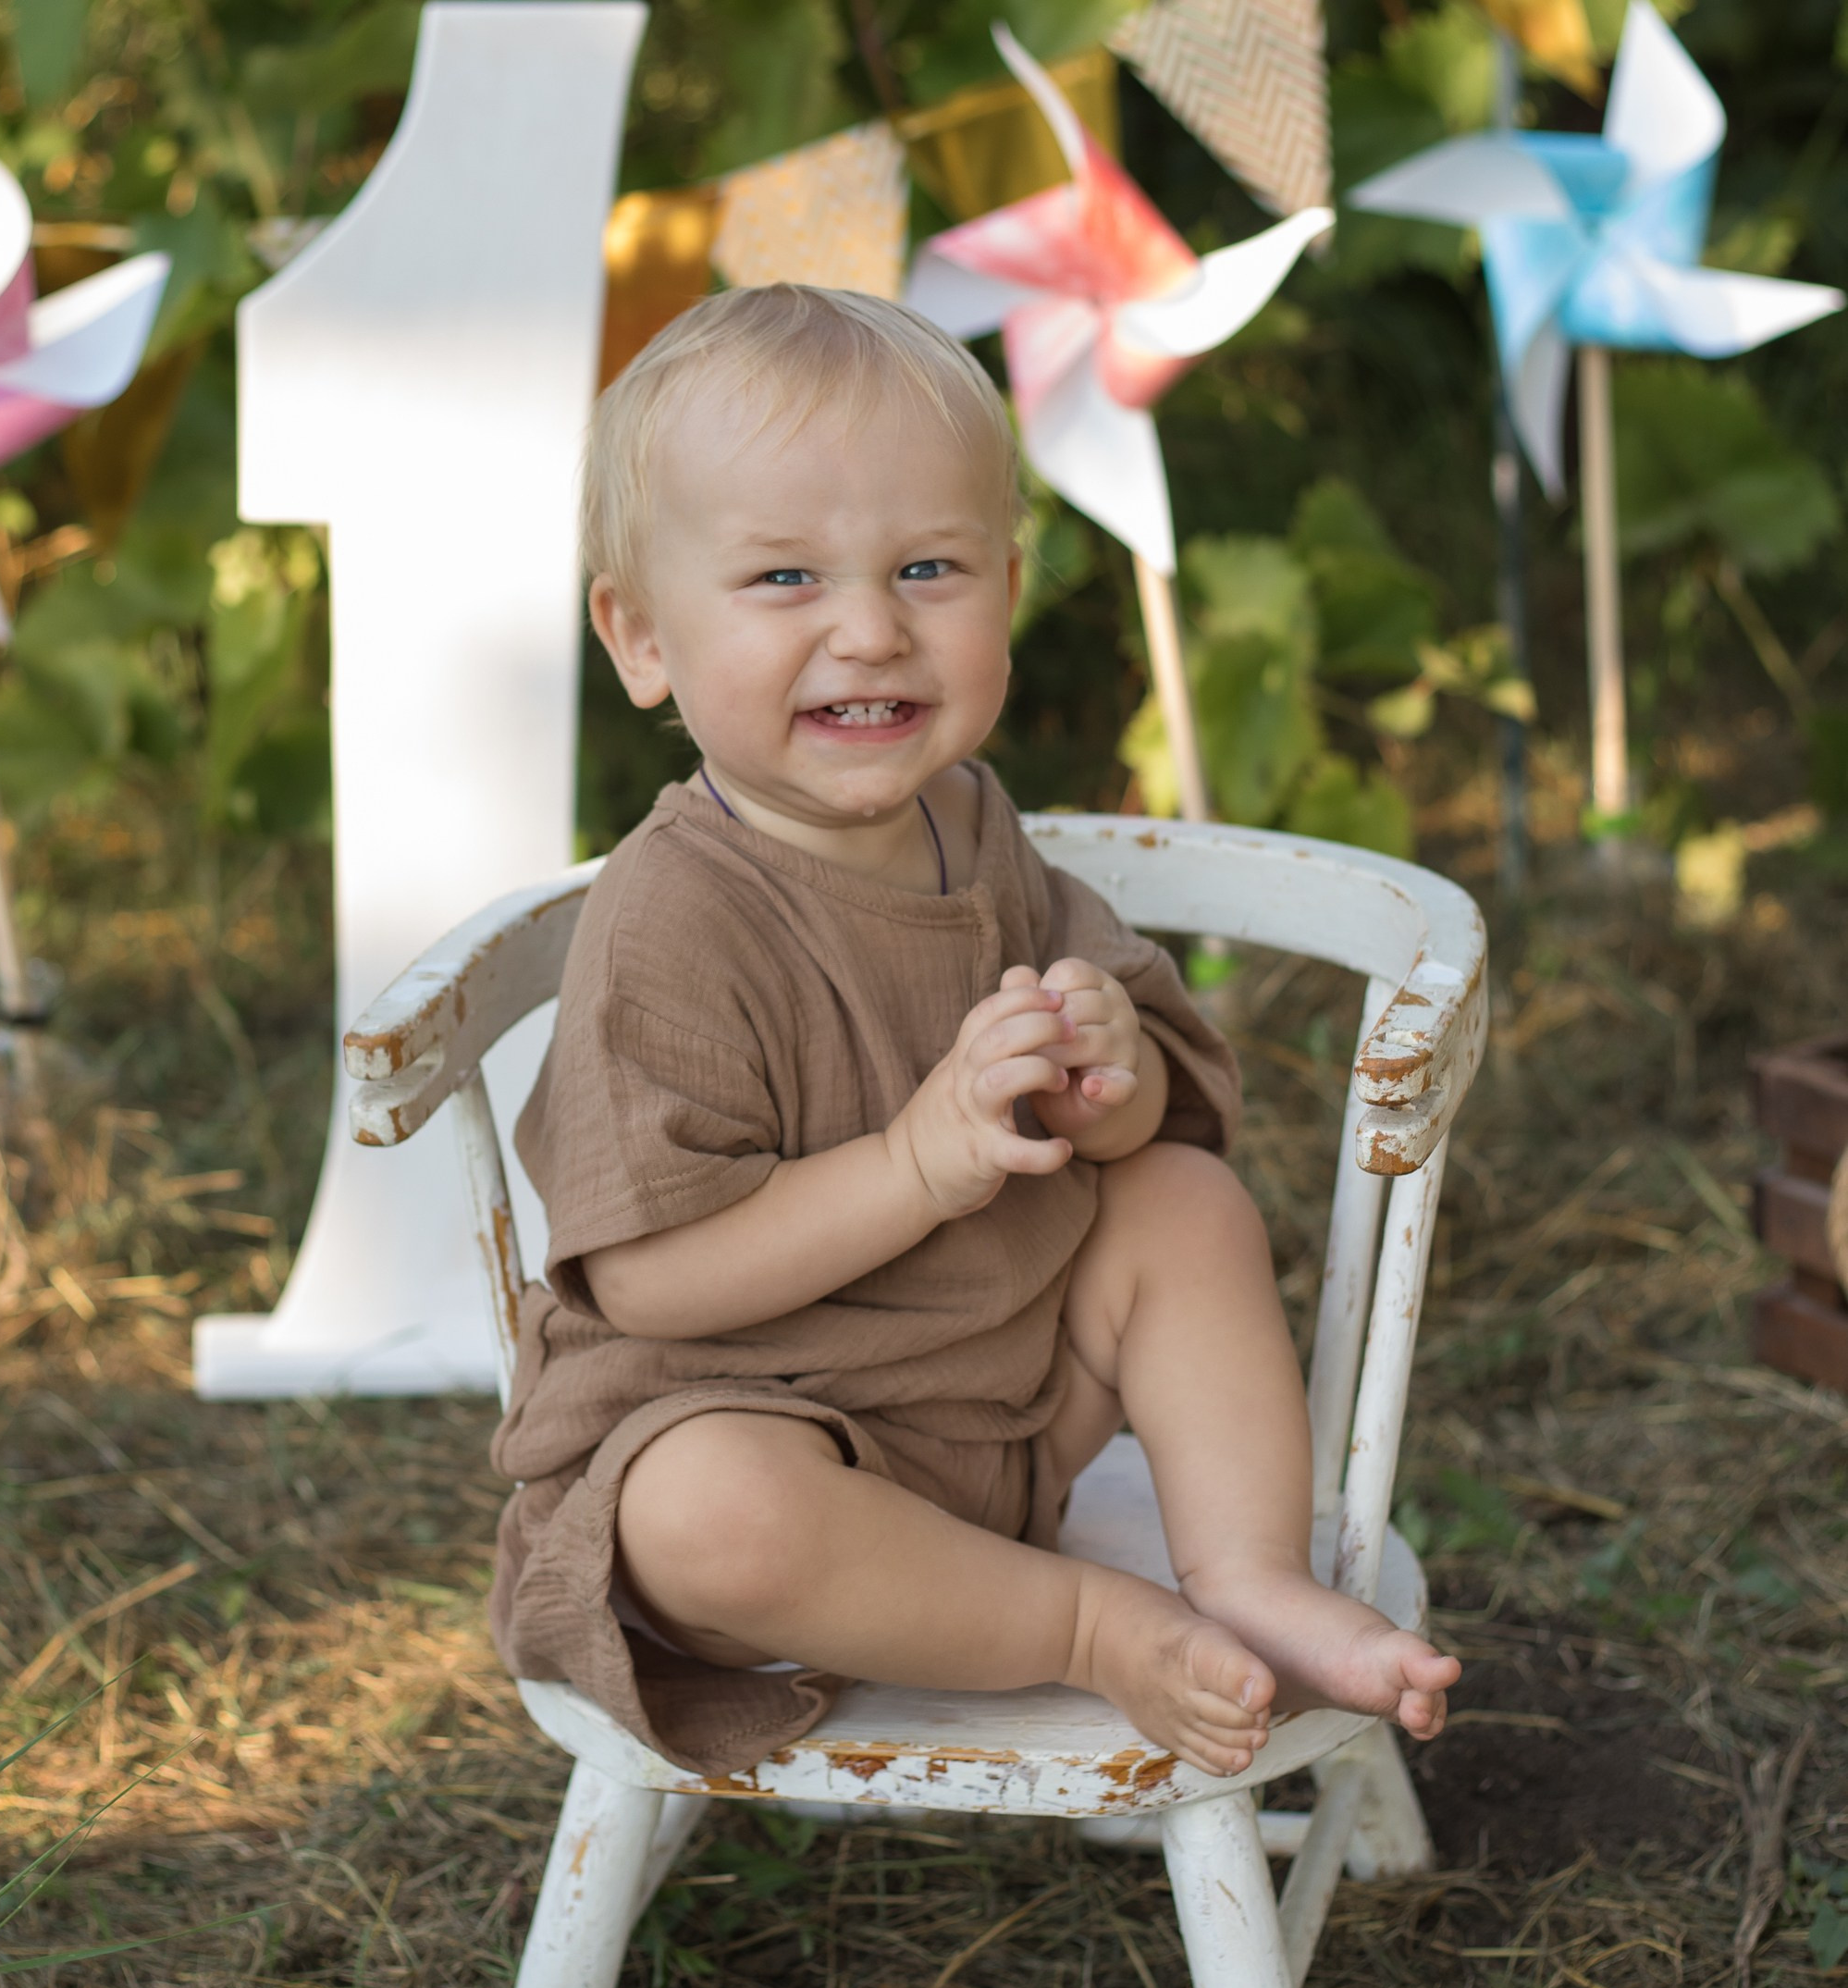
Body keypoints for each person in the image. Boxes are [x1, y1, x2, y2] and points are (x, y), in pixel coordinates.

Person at [487, 285, 1459, 1781]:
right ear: (642, 638)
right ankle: (1088, 1629)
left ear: (1004, 586)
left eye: (927, 568)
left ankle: (1249, 1571)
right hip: (772, 1434)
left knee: (1178, 1202)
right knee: (704, 1515)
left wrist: (1110, 1083)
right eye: (784, 579)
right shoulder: (670, 918)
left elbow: (1154, 1107)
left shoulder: (971, 825)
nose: (869, 631)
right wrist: (917, 1160)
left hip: (1004, 1399)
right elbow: (650, 1278)